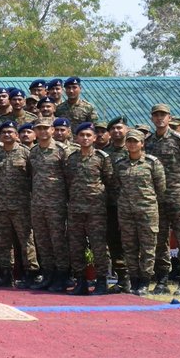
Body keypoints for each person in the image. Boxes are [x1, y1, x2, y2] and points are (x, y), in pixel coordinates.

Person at [143, 103, 180, 296]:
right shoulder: (148, 142)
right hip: (157, 198)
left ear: (169, 117)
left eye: (163, 115)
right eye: (156, 115)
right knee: (159, 241)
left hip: (177, 196)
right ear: (152, 118)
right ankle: (162, 280)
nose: (159, 118)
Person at [111, 130, 167, 296]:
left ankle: (145, 281)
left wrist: (146, 201)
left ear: (142, 144)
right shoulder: (120, 164)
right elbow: (116, 185)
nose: (132, 144)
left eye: (136, 141)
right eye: (129, 141)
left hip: (147, 210)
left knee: (148, 248)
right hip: (126, 212)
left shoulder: (152, 163)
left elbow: (160, 188)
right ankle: (134, 280)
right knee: (129, 247)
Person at [64, 122, 113, 295]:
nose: (85, 138)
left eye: (88, 135)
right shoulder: (71, 159)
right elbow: (68, 181)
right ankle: (81, 282)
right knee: (76, 247)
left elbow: (109, 181)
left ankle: (101, 282)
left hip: (95, 210)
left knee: (98, 246)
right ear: (76, 138)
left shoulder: (102, 158)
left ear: (94, 138)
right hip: (76, 209)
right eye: (82, 135)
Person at [0, 121, 39, 288]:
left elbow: (33, 177)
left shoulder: (26, 153)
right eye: (4, 132)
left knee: (26, 241)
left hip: (21, 205)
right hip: (2, 205)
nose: (7, 134)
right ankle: (6, 273)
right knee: (3, 242)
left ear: (17, 135)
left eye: (10, 132)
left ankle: (30, 273)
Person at [28, 118, 70, 291]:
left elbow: (69, 177)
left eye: (46, 128)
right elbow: (31, 176)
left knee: (58, 240)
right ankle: (48, 275)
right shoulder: (33, 152)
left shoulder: (62, 150)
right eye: (39, 128)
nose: (43, 131)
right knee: (43, 241)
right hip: (38, 203)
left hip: (56, 203)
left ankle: (63, 276)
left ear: (52, 130)